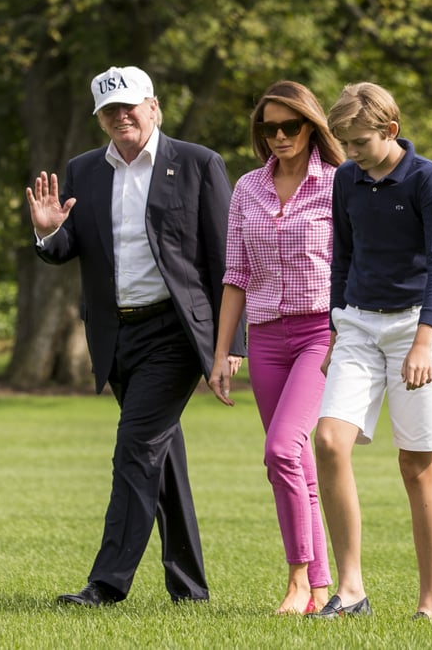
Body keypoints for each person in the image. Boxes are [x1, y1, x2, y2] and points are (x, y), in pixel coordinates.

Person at [25, 65, 246, 607]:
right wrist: (49, 230)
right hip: (116, 335)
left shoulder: (197, 164)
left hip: (175, 333)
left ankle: (106, 583)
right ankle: (190, 589)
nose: (121, 115)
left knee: (135, 449)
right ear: (99, 116)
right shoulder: (83, 171)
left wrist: (230, 345)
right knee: (161, 457)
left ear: (153, 107)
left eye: (130, 105)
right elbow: (65, 250)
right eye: (109, 109)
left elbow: (227, 260)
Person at [308, 82, 432, 621]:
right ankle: (351, 591)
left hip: (419, 330)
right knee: (328, 439)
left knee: (416, 465)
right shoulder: (347, 179)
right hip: (357, 327)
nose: (350, 154)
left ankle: (430, 602)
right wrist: (333, 330)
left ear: (390, 131)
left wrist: (423, 340)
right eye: (344, 143)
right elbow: (342, 259)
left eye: (359, 142)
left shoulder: (425, 178)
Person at [209, 81, 345, 615]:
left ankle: (295, 580)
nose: (281, 136)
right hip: (265, 337)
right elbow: (235, 275)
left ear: (312, 127)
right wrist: (223, 352)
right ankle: (318, 588)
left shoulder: (338, 185)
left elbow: (349, 267)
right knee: (296, 466)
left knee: (282, 449)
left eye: (291, 125)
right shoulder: (247, 188)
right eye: (270, 127)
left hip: (320, 335)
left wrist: (344, 337)